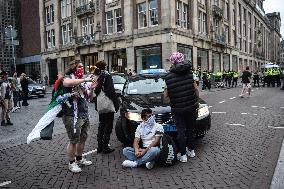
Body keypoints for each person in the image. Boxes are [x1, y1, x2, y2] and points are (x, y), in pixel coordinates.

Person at [163, 52, 199, 163]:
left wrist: (172, 99)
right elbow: (196, 90)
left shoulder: (167, 77)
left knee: (180, 132)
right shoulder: (190, 73)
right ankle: (191, 151)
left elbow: (165, 96)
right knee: (190, 129)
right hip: (191, 107)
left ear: (172, 62)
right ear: (182, 60)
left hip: (177, 109)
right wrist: (195, 100)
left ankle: (183, 155)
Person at [61, 60, 97, 173]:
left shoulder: (82, 82)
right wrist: (86, 79)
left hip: (84, 113)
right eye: (79, 67)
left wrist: (91, 88)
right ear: (73, 67)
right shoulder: (68, 77)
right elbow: (67, 83)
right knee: (74, 140)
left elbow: (90, 99)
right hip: (72, 114)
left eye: (82, 67)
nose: (82, 69)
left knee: (83, 137)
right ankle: (71, 163)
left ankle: (79, 158)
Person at [93, 60, 119, 154]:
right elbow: (110, 91)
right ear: (105, 66)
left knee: (101, 125)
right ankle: (105, 147)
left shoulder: (95, 76)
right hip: (107, 104)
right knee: (108, 126)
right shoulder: (107, 76)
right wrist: (116, 103)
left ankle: (99, 146)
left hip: (100, 104)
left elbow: (94, 91)